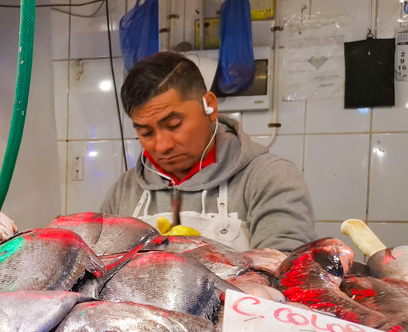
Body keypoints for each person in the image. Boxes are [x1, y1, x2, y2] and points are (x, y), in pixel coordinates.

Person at [100, 51, 314, 252]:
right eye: (146, 133)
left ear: (209, 107)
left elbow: (285, 270)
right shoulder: (124, 192)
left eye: (174, 125)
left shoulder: (268, 177)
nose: (163, 145)